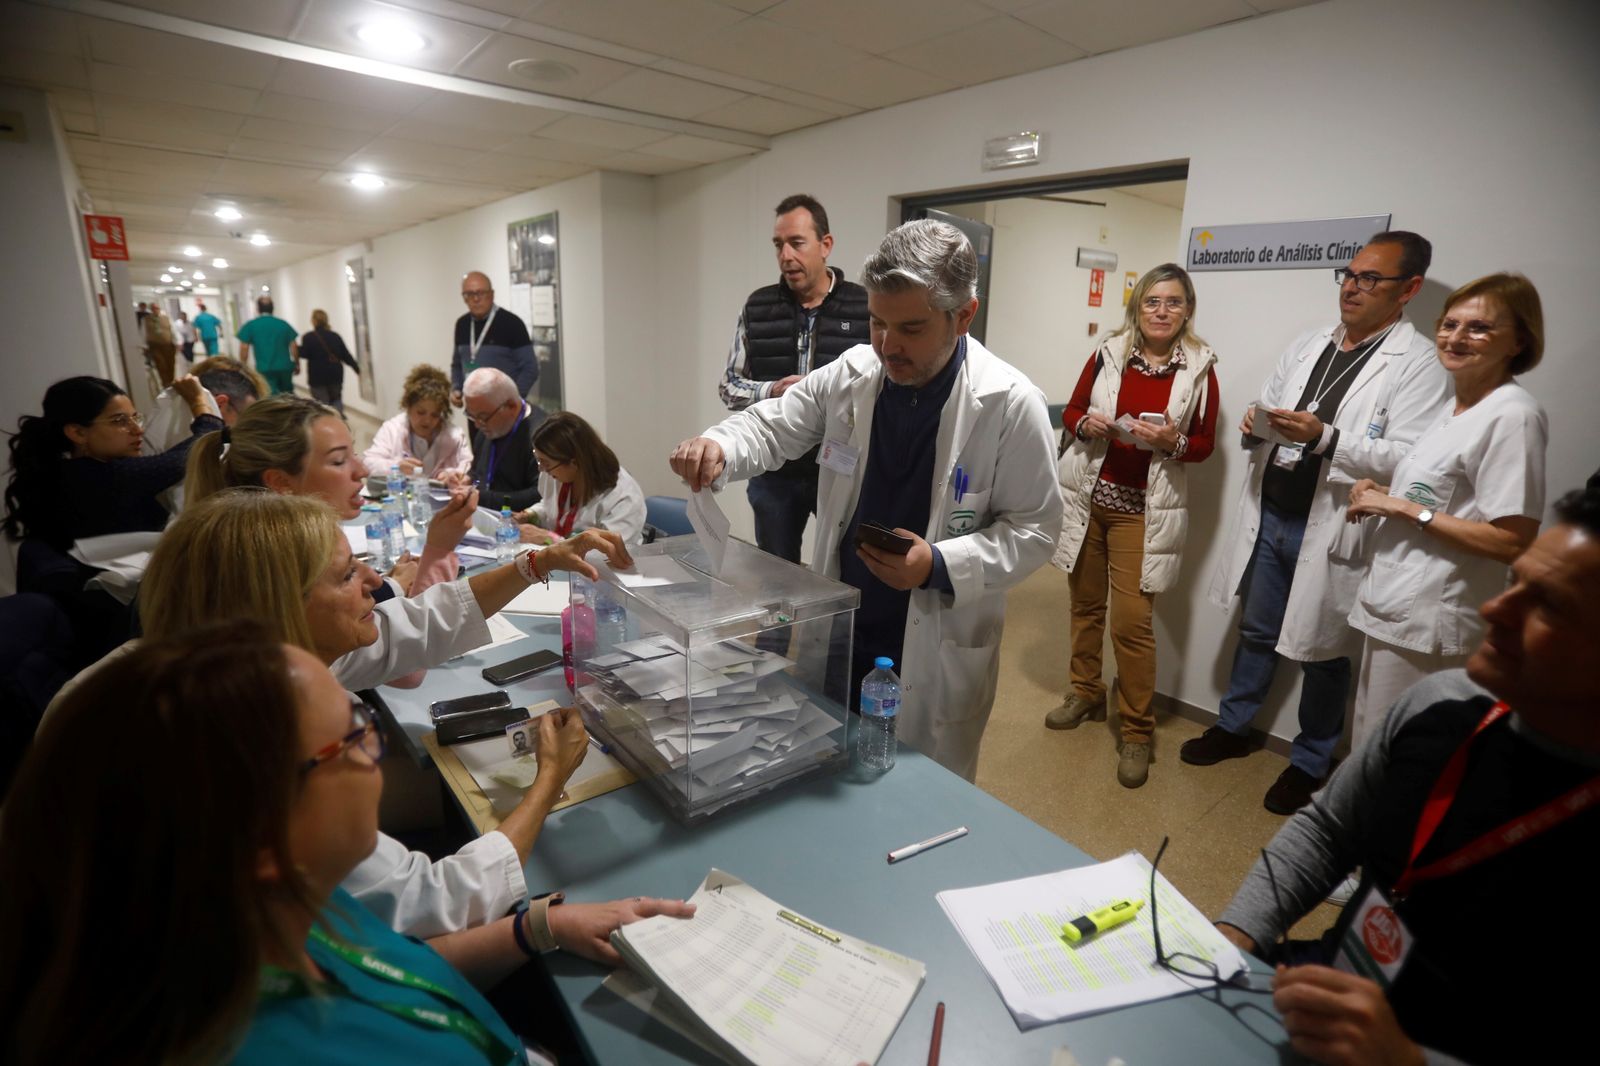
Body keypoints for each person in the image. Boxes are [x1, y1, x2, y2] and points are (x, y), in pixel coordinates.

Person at [1, 622, 693, 1064]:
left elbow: (382, 964)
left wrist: (535, 927)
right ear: (262, 838)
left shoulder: (270, 908)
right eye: (354, 736)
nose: (373, 746)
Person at [51, 489, 638, 939]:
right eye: (346, 574)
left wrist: (536, 563)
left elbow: (413, 625)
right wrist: (548, 781)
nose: (376, 582)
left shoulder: (232, 653)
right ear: (277, 605)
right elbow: (438, 902)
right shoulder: (238, 741)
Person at [1213, 486, 1600, 1066]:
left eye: (1548, 605)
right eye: (1515, 582)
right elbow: (1328, 832)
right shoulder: (1442, 704)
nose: (1495, 610)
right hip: (1331, 993)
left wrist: (1405, 1061)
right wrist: (1239, 933)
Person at [670, 219, 1062, 780]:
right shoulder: (854, 372)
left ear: (964, 316)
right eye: (877, 322)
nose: (887, 345)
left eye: (911, 328)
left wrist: (939, 564)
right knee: (828, 762)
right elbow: (773, 425)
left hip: (933, 636)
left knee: (920, 791)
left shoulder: (1010, 403)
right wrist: (719, 447)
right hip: (844, 626)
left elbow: (1036, 529)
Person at [1191, 232, 1452, 815]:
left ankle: (1310, 761)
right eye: (1349, 274)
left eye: (1370, 278)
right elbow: (1268, 402)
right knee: (1256, 632)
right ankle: (1233, 728)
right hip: (1271, 513)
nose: (1352, 287)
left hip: (1334, 527)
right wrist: (1256, 421)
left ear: (1408, 289)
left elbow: (1410, 457)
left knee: (1324, 651)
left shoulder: (1419, 365)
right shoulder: (1311, 344)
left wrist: (1326, 438)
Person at [1344, 273, 1547, 748]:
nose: (1456, 337)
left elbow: (1513, 542)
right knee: (1370, 744)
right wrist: (1385, 490)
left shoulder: (1513, 416)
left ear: (1518, 341)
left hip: (1431, 621)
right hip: (1394, 605)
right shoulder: (1455, 406)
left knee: (1399, 754)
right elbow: (1444, 495)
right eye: (1450, 324)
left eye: (1479, 328)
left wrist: (1400, 507)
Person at [1048, 264, 1221, 788]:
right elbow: (1072, 410)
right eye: (1152, 301)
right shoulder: (1109, 353)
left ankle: (1137, 731)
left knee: (1131, 624)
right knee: (1085, 607)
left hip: (1143, 513)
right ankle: (1086, 692)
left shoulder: (1201, 369)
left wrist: (1173, 441)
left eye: (1173, 302)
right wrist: (1086, 422)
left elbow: (1205, 445)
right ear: (1137, 307)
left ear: (1187, 310)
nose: (1161, 311)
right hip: (1089, 499)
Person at [186, 394, 451, 605]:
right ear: (280, 482)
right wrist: (401, 581)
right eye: (338, 461)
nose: (362, 471)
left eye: (354, 453)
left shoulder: (258, 543)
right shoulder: (281, 565)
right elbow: (363, 638)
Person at [719, 194, 870, 563]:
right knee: (775, 572)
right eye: (778, 244)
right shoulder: (758, 307)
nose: (786, 255)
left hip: (839, 468)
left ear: (825, 245)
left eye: (797, 243)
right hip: (774, 470)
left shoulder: (864, 306)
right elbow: (729, 387)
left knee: (845, 564)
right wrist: (773, 390)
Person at [3, 375, 221, 550]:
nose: (137, 430)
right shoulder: (100, 478)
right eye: (119, 421)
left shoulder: (66, 471)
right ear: (78, 433)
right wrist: (198, 402)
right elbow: (197, 450)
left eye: (135, 418)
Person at [516, 410, 646, 548]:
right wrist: (530, 514)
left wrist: (550, 539)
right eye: (538, 459)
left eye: (546, 463)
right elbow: (549, 505)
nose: (541, 469)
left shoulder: (623, 498)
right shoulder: (554, 473)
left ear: (574, 462)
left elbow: (609, 552)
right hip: (558, 557)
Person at [446, 367, 541, 513]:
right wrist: (467, 479)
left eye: (483, 417)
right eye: (472, 416)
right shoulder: (487, 426)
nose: (477, 425)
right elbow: (479, 472)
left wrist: (480, 497)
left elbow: (539, 496)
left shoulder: (541, 436)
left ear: (511, 406)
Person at [364, 363, 472, 480]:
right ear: (408, 407)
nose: (427, 420)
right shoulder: (392, 430)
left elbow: (467, 468)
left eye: (435, 415)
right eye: (421, 412)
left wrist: (450, 474)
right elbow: (368, 463)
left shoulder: (455, 437)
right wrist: (396, 467)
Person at [450, 271, 537, 407]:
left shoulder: (512, 323)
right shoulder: (462, 324)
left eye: (481, 293)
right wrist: (456, 389)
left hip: (505, 409)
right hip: (475, 408)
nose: (476, 299)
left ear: (491, 294)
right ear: (464, 298)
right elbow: (457, 364)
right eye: (470, 294)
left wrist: (513, 400)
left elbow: (530, 368)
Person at [297, 308, 361, 415]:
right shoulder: (335, 336)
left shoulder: (308, 337)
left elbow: (304, 354)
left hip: (317, 376)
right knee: (336, 399)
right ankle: (338, 419)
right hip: (335, 374)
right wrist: (356, 369)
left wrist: (297, 349)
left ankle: (327, 422)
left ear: (313, 320)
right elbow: (346, 355)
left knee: (322, 405)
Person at [237, 296, 300, 395]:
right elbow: (294, 346)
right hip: (285, 367)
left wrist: (243, 366)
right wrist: (297, 363)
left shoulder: (251, 325)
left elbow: (244, 347)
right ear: (273, 308)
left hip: (265, 368)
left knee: (270, 394)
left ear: (258, 309)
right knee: (288, 394)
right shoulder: (283, 324)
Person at [142, 301, 176, 387]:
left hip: (168, 345)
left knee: (170, 364)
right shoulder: (146, 320)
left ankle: (171, 382)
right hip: (155, 346)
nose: (155, 310)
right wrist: (144, 345)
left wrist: (178, 341)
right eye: (153, 308)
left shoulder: (166, 318)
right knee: (161, 364)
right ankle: (165, 383)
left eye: (157, 308)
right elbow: (143, 333)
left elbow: (173, 330)